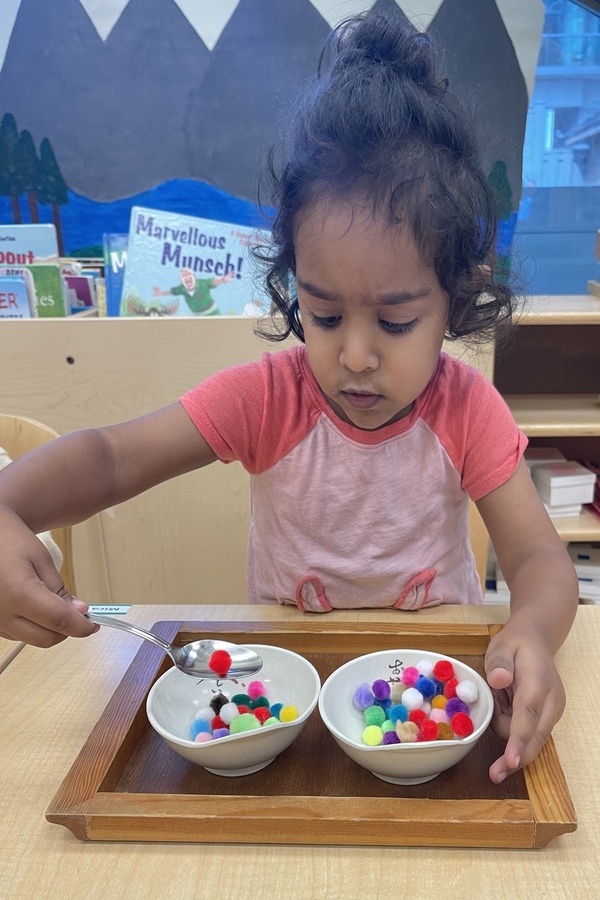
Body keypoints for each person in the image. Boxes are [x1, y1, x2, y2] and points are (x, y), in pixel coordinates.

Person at [0, 13, 578, 785]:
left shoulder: (466, 408)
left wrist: (533, 631)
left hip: (426, 698)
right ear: (292, 285)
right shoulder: (270, 397)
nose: (356, 355)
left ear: (454, 302)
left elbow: (540, 555)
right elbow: (109, 459)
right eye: (325, 314)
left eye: (398, 321)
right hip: (283, 702)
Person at [152, 267, 234, 315]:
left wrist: (222, 279)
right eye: (184, 276)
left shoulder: (203, 283)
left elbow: (212, 282)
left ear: (194, 277)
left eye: (189, 275)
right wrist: (161, 293)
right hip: (198, 316)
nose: (187, 277)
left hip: (213, 313)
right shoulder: (181, 289)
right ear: (181, 281)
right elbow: (172, 292)